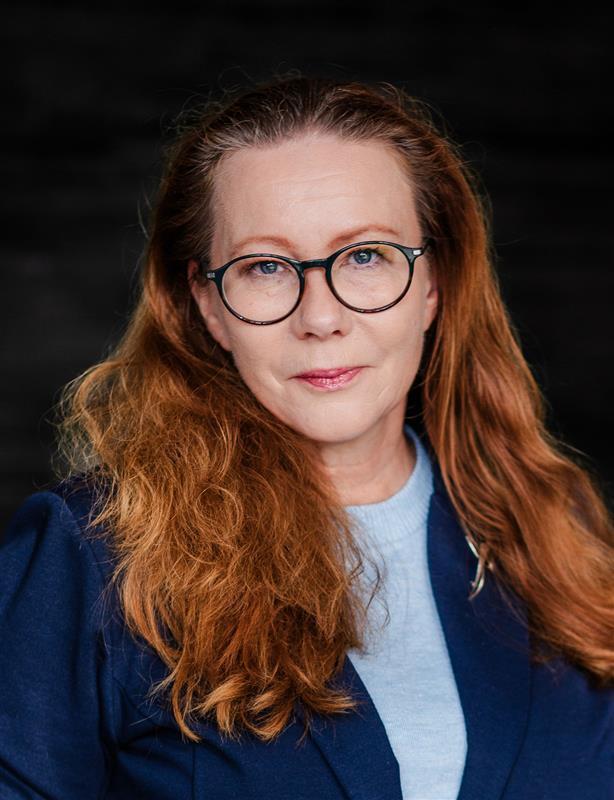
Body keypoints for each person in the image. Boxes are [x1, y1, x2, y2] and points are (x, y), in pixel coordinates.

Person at [1, 73, 612, 800]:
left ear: (433, 284)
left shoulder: (556, 532)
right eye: (265, 267)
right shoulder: (93, 556)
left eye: (365, 256)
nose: (320, 318)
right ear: (208, 305)